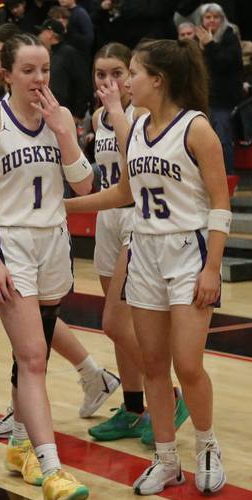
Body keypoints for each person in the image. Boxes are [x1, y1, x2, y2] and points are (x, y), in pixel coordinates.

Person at [66, 39, 229, 496]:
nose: (125, 82)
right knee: (154, 364)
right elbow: (123, 193)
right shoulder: (135, 129)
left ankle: (207, 446)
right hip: (144, 253)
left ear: (158, 80)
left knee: (188, 363)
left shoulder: (197, 129)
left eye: (133, 73)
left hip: (188, 253)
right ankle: (166, 459)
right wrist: (64, 205)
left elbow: (220, 204)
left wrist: (212, 268)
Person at [0, 33, 93, 500]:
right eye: (29, 70)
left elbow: (83, 186)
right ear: (8, 74)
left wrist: (65, 133)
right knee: (34, 356)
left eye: (44, 70)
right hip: (12, 241)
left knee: (31, 355)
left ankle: (20, 443)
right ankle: (52, 469)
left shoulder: (58, 119)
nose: (39, 78)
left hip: (54, 241)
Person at [87, 43, 191, 442]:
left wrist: (115, 109)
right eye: (101, 75)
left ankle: (168, 393)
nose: (110, 82)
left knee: (113, 321)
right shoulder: (98, 117)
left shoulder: (144, 114)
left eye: (118, 73)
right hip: (107, 217)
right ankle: (132, 409)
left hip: (138, 217)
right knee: (118, 327)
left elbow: (137, 154)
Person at [197, 3, 243, 174]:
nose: (211, 21)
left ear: (222, 20)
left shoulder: (229, 36)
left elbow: (226, 63)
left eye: (216, 17)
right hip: (203, 98)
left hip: (223, 100)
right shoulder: (198, 38)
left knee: (222, 140)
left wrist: (209, 46)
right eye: (208, 17)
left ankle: (228, 176)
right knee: (201, 141)